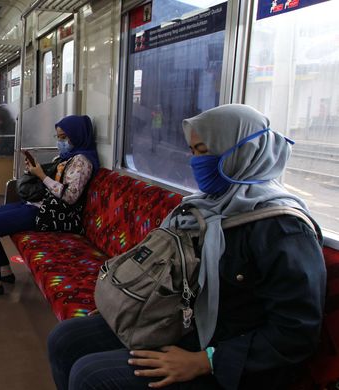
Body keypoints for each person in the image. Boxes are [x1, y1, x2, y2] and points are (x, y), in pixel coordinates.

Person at [47, 104, 326, 390]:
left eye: (204, 151)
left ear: (243, 150)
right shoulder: (204, 206)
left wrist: (205, 361)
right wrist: (129, 303)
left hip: (227, 356)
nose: (196, 161)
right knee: (65, 340)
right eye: (192, 151)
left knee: (91, 376)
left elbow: (296, 331)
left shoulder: (283, 229)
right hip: (179, 321)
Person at [0, 114, 99, 296]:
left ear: (77, 135)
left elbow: (69, 196)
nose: (60, 142)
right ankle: (3, 270)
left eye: (64, 137)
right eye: (58, 137)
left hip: (51, 214)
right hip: (39, 205)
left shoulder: (83, 161)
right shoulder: (67, 157)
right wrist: (36, 172)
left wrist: (42, 176)